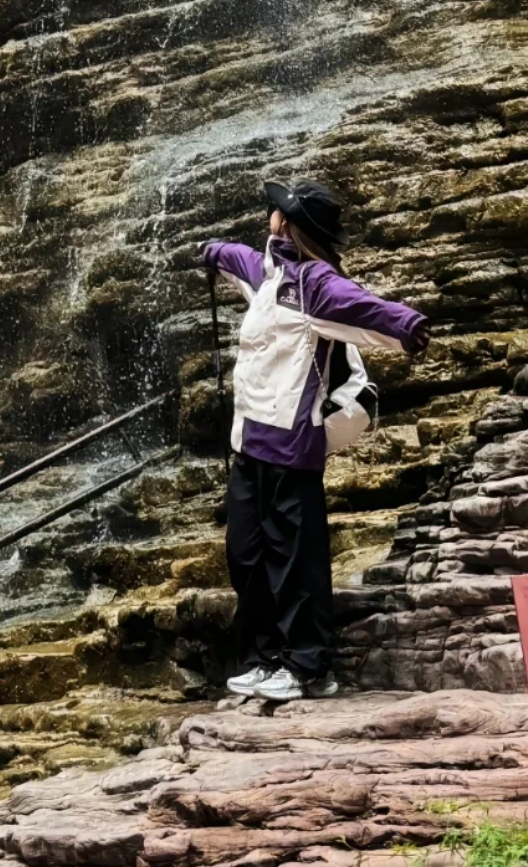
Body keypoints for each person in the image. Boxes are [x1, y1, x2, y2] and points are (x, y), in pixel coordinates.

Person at [202, 178, 429, 703]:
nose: (269, 217)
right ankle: (264, 658)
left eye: (277, 212)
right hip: (249, 444)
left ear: (292, 225)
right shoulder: (268, 272)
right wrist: (210, 252)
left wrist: (408, 325)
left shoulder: (316, 285)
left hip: (292, 445)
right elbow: (238, 257)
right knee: (247, 555)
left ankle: (308, 667)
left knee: (295, 561)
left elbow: (364, 306)